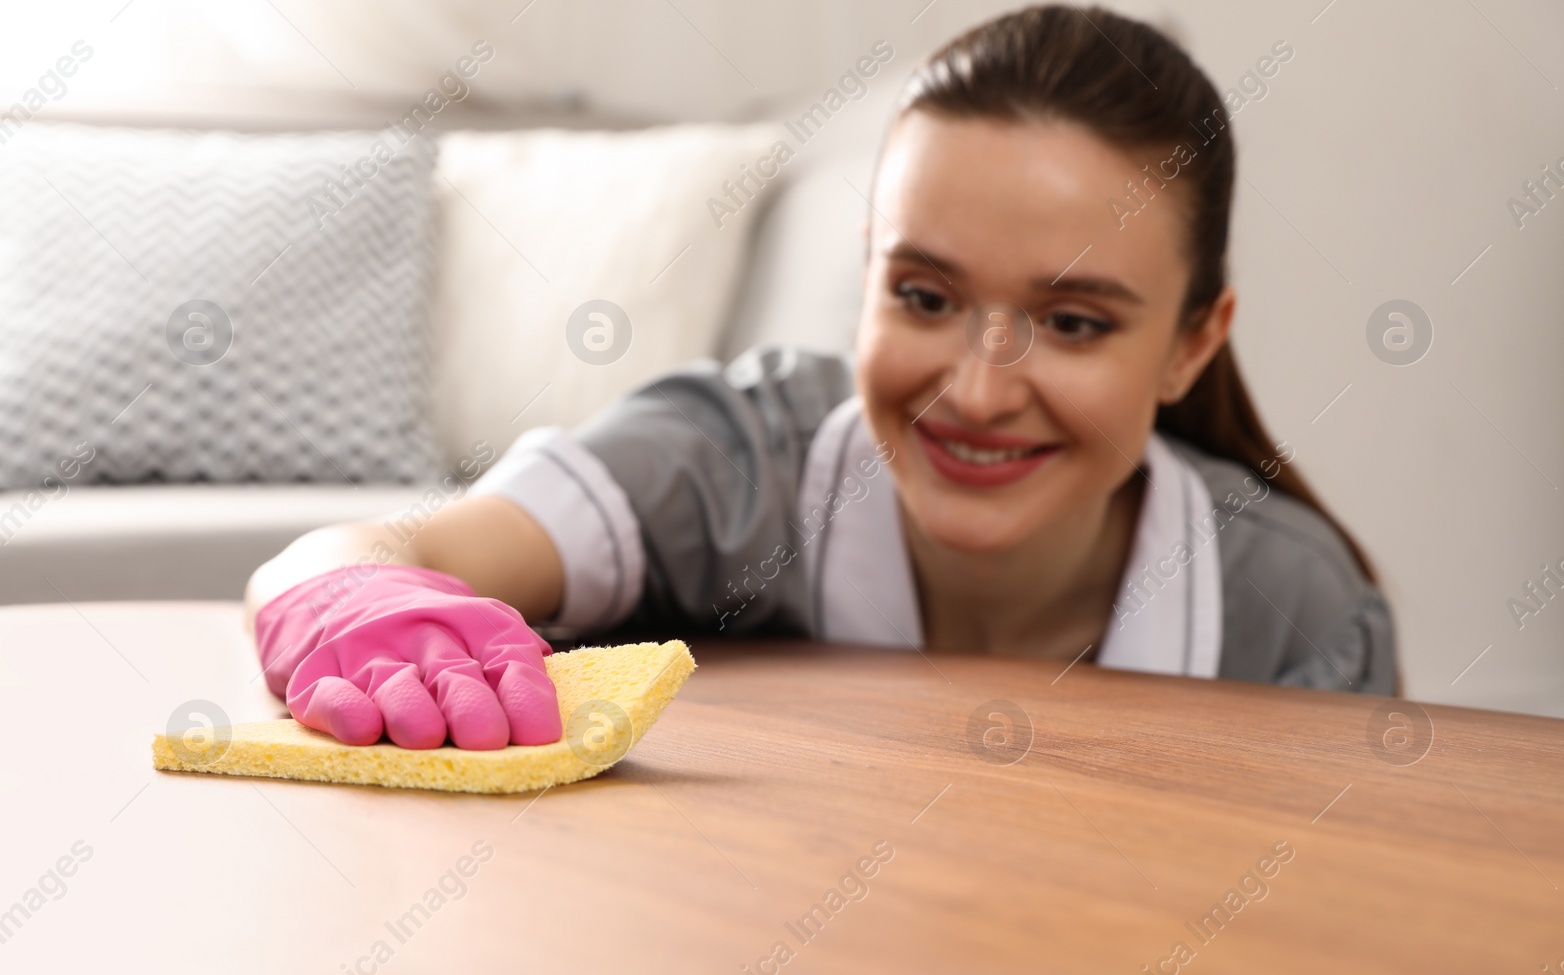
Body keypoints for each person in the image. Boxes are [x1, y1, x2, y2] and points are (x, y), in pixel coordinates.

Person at [246, 4, 1397, 751]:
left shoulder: (1300, 628)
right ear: (867, 276)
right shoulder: (729, 464)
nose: (982, 391)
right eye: (926, 297)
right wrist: (365, 604)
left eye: (1074, 321)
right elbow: (357, 554)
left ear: (1194, 340)